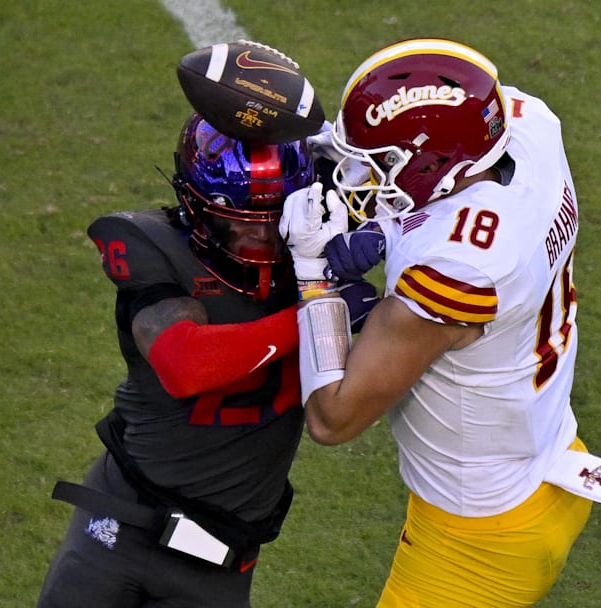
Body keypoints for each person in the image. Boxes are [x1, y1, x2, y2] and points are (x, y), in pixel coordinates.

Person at [281, 38, 601, 607]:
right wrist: (387, 229)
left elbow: (333, 418)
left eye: (381, 167)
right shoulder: (526, 129)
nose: (364, 179)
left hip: (481, 529)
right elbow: (452, 158)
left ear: (433, 165)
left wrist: (312, 276)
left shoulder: (463, 266)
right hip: (547, 452)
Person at [37, 110, 374, 608]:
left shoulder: (322, 248)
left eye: (274, 219)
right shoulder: (155, 246)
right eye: (240, 222)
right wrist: (322, 309)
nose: (260, 237)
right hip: (121, 527)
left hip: (223, 556)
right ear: (198, 206)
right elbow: (184, 364)